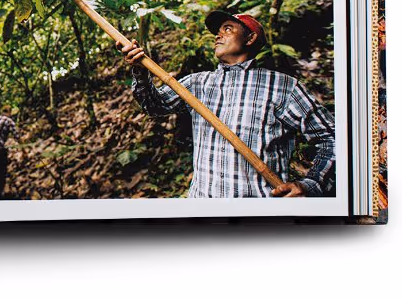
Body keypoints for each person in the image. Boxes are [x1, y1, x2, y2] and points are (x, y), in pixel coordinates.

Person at [120, 11, 336, 198]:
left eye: (228, 29)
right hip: (201, 210)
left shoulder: (282, 87)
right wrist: (140, 71)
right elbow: (154, 106)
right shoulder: (198, 83)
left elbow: (333, 139)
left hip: (259, 215)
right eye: (218, 30)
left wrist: (312, 185)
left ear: (250, 38)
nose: (218, 34)